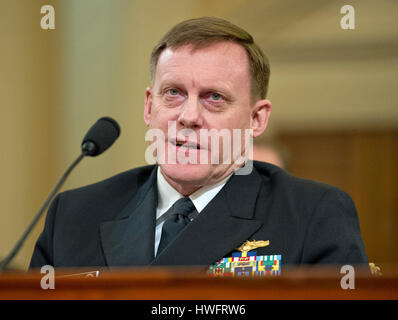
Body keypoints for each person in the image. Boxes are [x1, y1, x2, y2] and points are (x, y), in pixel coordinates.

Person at [30, 17, 368, 272]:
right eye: (173, 93)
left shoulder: (313, 214)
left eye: (214, 98)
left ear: (256, 120)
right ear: (149, 106)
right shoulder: (75, 216)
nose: (189, 116)